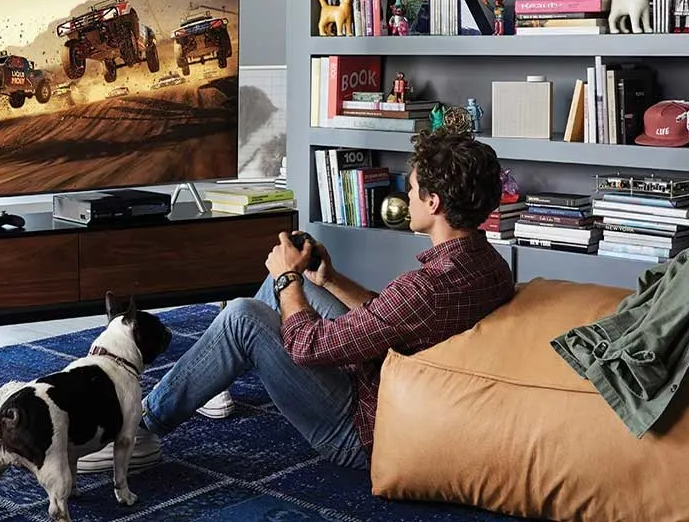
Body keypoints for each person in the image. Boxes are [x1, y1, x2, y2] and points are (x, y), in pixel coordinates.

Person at [77, 129, 516, 472]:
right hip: (391, 385)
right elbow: (398, 318)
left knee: (243, 315)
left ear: (434, 202)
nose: (404, 193)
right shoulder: (487, 264)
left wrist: (288, 276)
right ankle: (212, 374)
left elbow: (309, 346)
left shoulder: (427, 288)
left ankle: (137, 426)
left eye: (412, 186)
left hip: (364, 433)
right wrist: (329, 279)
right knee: (279, 293)